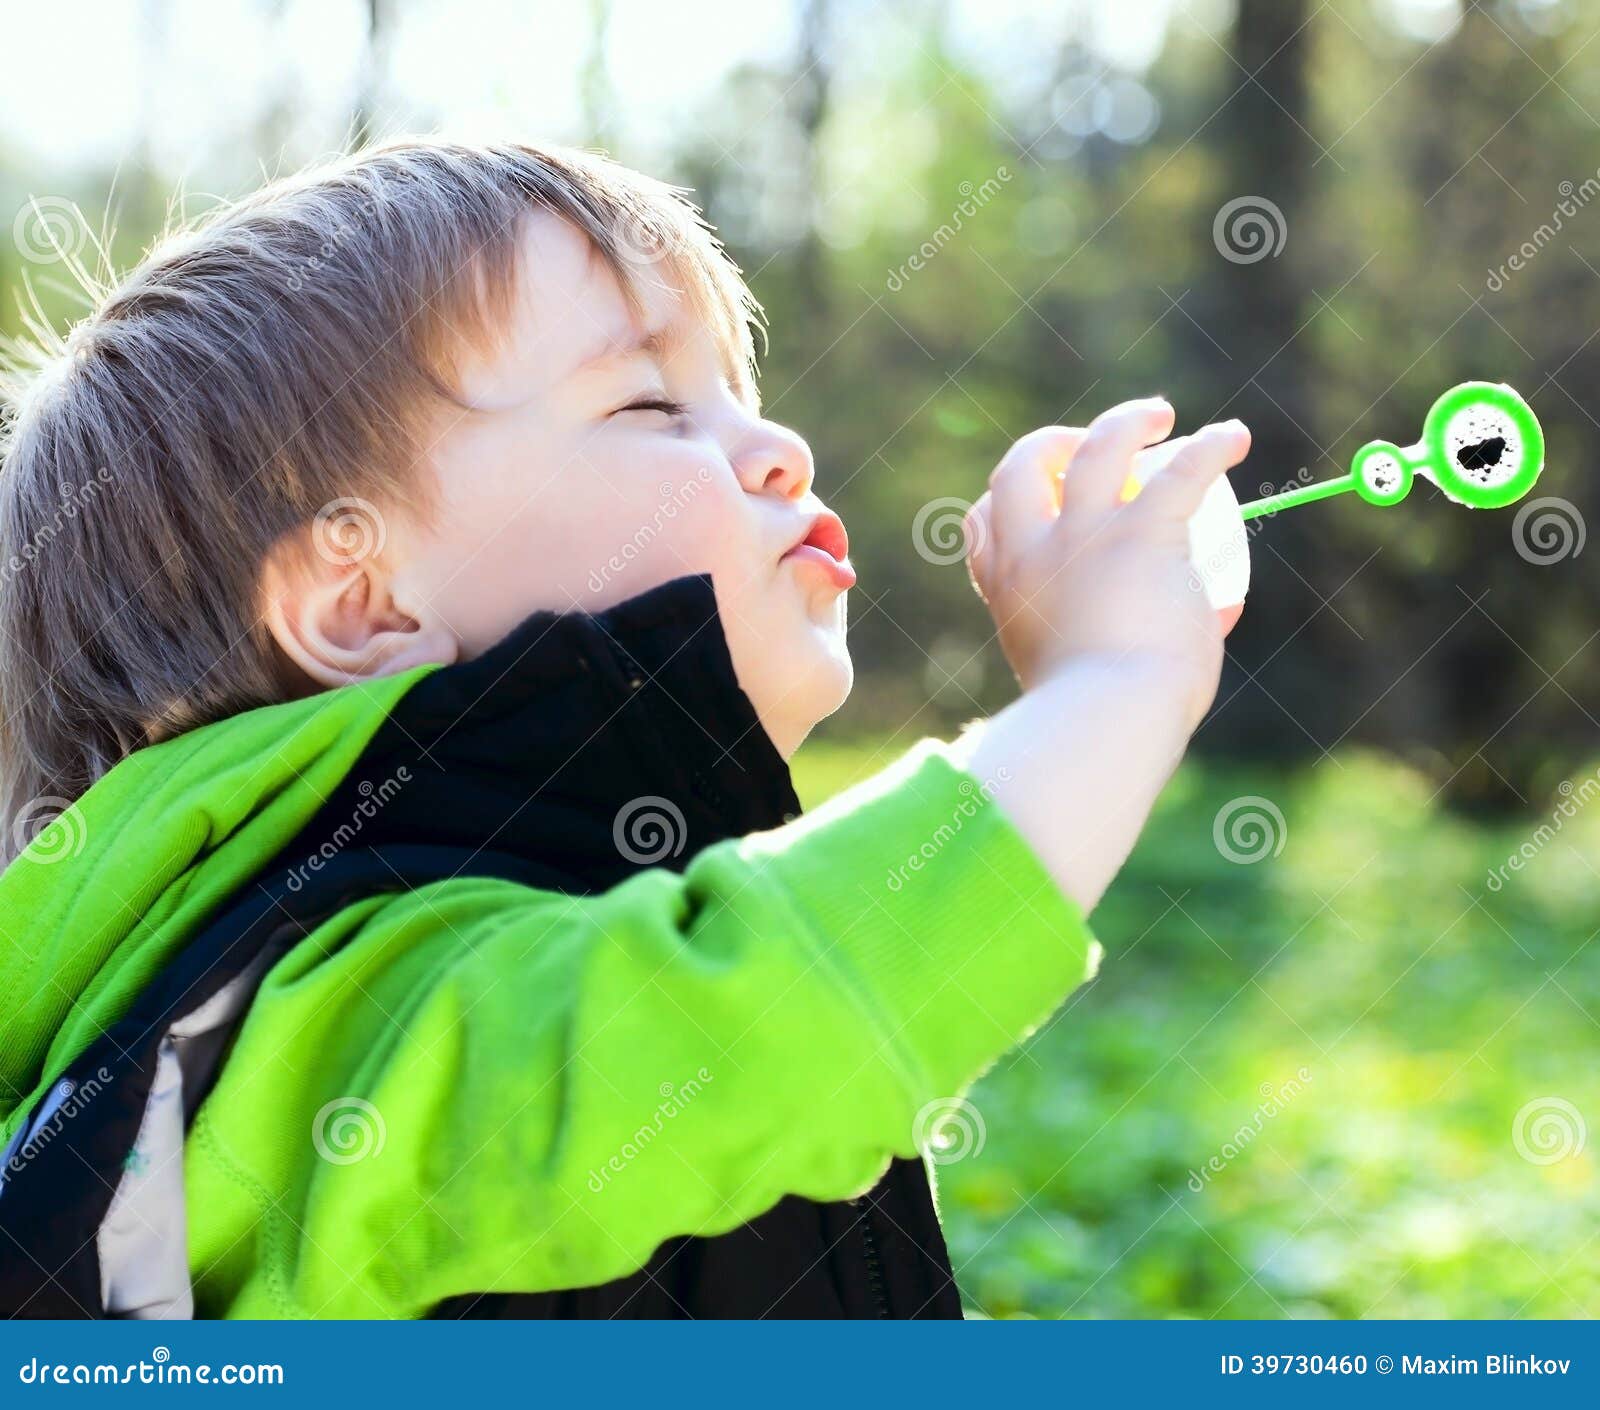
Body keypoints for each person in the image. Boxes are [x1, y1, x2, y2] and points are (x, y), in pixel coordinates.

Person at [0, 138, 1249, 1319]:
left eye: (739, 392)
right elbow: (758, 1017)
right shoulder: (342, 1016)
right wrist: (1116, 679)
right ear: (362, 601)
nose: (780, 448)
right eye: (651, 405)